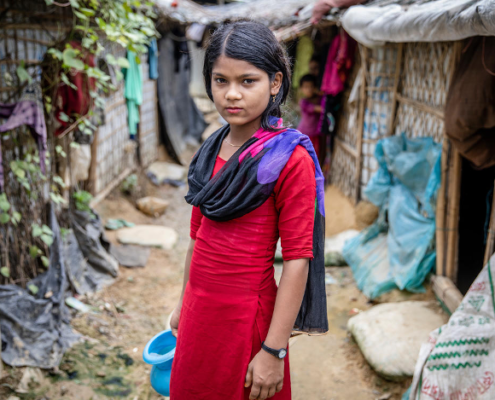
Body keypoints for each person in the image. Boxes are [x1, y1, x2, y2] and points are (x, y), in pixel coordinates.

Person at [169, 21, 328, 400]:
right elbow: (197, 239)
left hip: (247, 320)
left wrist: (274, 351)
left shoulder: (288, 160)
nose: (231, 94)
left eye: (247, 81)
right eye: (220, 80)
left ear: (275, 83)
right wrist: (181, 306)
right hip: (198, 311)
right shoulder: (210, 150)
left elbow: (297, 260)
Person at [297, 74, 324, 159]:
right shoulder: (303, 102)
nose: (309, 89)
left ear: (315, 87)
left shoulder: (320, 99)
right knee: (305, 157)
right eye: (306, 87)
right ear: (301, 88)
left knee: (315, 156)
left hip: (316, 134)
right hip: (305, 134)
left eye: (311, 86)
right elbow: (318, 109)